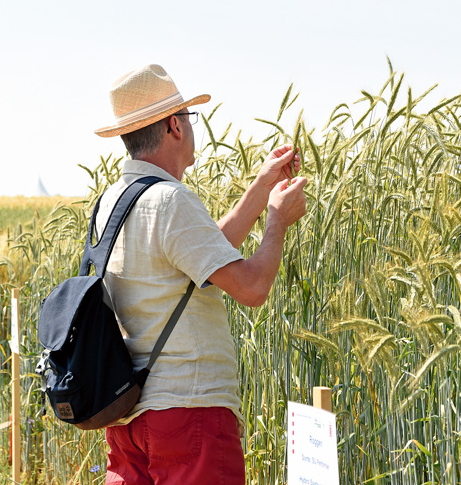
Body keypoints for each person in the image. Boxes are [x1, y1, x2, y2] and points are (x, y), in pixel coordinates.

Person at [92, 63, 307, 485]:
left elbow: (200, 256)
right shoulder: (171, 201)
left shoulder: (111, 203)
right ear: (174, 125)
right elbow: (251, 286)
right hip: (189, 414)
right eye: (189, 117)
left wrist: (261, 188)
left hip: (127, 418)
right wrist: (277, 222)